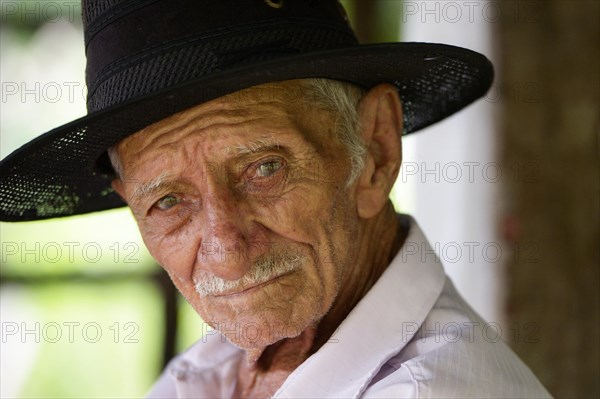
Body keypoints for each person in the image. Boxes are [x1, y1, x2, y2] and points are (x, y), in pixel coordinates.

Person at [0, 1, 550, 397]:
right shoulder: (212, 375)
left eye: (264, 169)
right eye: (168, 202)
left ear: (376, 148)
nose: (227, 251)